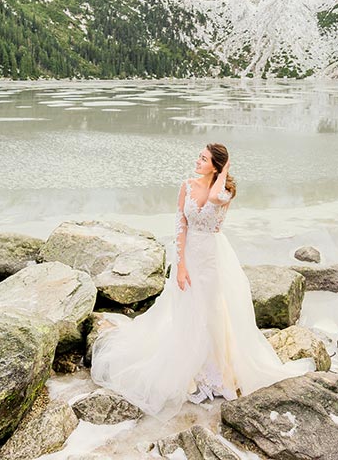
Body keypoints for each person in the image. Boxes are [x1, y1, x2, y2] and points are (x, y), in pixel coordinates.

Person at [88, 142, 314, 420]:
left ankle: (217, 372)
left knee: (213, 311)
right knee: (186, 309)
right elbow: (180, 224)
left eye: (204, 159)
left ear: (216, 166)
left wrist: (224, 171)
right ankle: (189, 370)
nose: (197, 161)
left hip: (213, 256)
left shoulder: (225, 191)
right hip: (190, 255)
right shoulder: (186, 185)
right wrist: (180, 265)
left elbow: (216, 200)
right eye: (199, 156)